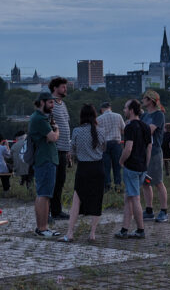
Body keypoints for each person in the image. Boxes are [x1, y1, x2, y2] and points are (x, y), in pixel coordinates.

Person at [59, 104, 105, 243]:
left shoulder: (76, 131)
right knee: (97, 199)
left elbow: (71, 151)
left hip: (83, 168)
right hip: (98, 168)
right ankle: (92, 233)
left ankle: (70, 233)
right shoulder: (100, 131)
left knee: (76, 200)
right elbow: (104, 148)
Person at [115, 99, 152, 239]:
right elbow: (149, 147)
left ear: (131, 110)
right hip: (142, 167)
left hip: (131, 167)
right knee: (129, 198)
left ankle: (140, 229)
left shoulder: (130, 127)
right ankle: (124, 229)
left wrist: (121, 160)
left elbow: (128, 148)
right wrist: (146, 164)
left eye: (125, 108)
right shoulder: (146, 126)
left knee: (135, 198)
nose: (124, 110)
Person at [29, 92, 61, 237]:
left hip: (45, 159)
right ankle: (42, 228)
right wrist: (56, 128)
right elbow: (53, 137)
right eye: (50, 103)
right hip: (45, 159)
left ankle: (42, 227)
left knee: (44, 194)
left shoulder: (39, 118)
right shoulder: (40, 119)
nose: (52, 105)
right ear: (42, 102)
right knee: (44, 195)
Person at [141, 90, 168, 223]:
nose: (142, 101)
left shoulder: (159, 115)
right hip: (144, 152)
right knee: (145, 182)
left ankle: (164, 210)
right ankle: (149, 209)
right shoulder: (144, 115)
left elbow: (149, 130)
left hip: (155, 151)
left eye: (144, 98)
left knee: (158, 182)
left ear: (151, 100)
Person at [49, 77, 71, 220]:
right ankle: (51, 210)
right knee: (53, 181)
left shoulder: (62, 104)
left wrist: (68, 149)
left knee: (60, 180)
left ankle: (57, 210)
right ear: (55, 88)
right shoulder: (50, 103)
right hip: (54, 147)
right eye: (63, 87)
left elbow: (66, 123)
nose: (65, 89)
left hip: (63, 148)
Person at [97, 102, 125, 192]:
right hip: (116, 143)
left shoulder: (99, 119)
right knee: (117, 166)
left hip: (104, 144)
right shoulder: (118, 116)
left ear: (102, 109)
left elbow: (97, 134)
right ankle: (118, 186)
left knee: (106, 167)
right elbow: (124, 130)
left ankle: (107, 186)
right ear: (110, 108)